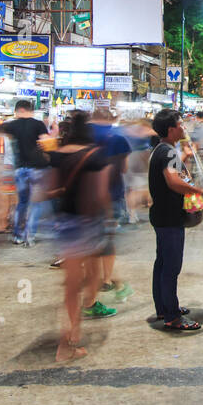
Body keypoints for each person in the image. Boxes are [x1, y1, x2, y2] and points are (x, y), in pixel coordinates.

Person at [47, 111, 119, 361]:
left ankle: (69, 337)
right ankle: (69, 340)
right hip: (90, 223)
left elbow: (50, 189)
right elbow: (101, 194)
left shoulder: (57, 155)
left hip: (65, 223)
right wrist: (109, 219)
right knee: (94, 278)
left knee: (70, 286)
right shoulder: (96, 155)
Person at [148, 109, 203, 331]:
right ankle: (172, 316)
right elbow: (173, 182)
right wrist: (200, 191)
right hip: (169, 217)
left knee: (163, 263)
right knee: (171, 267)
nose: (184, 127)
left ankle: (164, 307)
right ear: (170, 129)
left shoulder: (165, 150)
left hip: (162, 216)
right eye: (180, 124)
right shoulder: (167, 152)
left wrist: (185, 154)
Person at [89, 106, 132, 302]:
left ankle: (93, 279)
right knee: (108, 240)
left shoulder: (82, 136)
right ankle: (106, 279)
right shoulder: (118, 139)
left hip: (85, 195)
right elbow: (123, 168)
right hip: (112, 194)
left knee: (89, 240)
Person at [2, 100, 49, 246]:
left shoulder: (10, 126)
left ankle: (18, 235)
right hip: (36, 169)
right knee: (35, 203)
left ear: (19, 110)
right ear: (29, 110)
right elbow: (46, 143)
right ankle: (30, 236)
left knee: (21, 202)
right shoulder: (38, 124)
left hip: (19, 168)